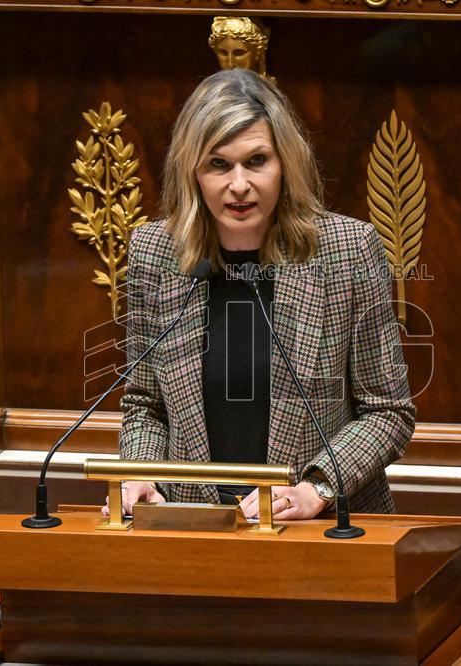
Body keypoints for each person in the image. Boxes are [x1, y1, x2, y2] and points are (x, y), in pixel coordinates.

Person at [109, 68, 415, 521]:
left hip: (323, 530)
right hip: (193, 529)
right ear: (192, 171)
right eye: (218, 164)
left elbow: (388, 412)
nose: (238, 185)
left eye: (256, 161)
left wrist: (317, 487)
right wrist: (142, 475)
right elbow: (144, 405)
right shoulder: (156, 253)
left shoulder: (348, 250)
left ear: (283, 164)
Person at [208, 17, 275, 85]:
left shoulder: (269, 89)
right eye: (223, 53)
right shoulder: (209, 88)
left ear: (258, 52)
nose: (230, 63)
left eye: (239, 53)